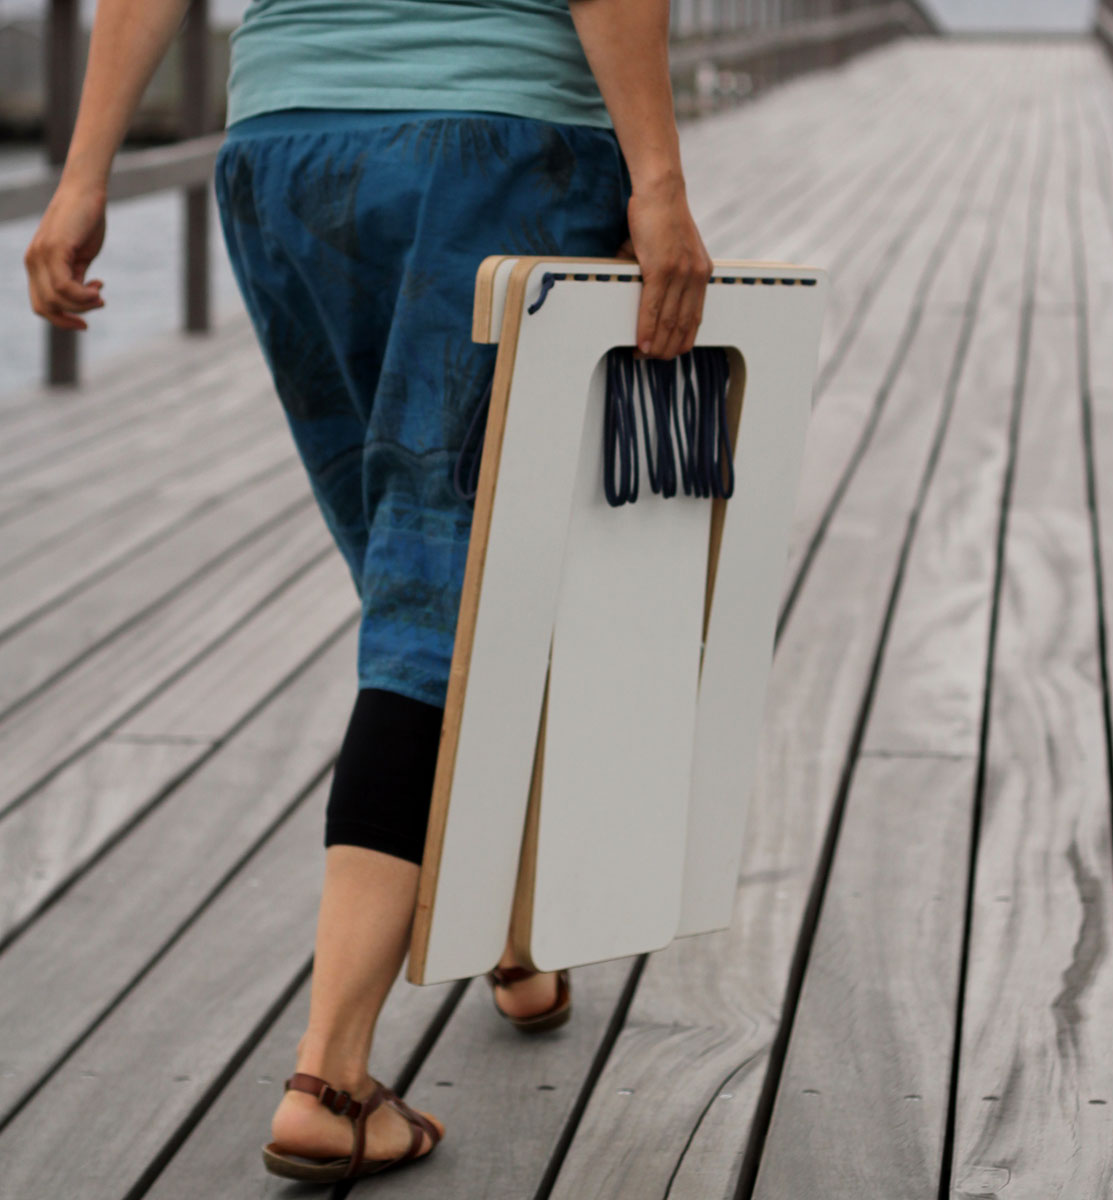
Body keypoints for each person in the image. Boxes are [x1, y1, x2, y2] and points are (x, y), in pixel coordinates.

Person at [24, 0, 712, 1181]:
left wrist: (84, 172)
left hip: (284, 158)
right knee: (446, 587)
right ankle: (330, 1076)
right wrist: (658, 182)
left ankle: (504, 918)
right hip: (495, 147)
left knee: (426, 561)